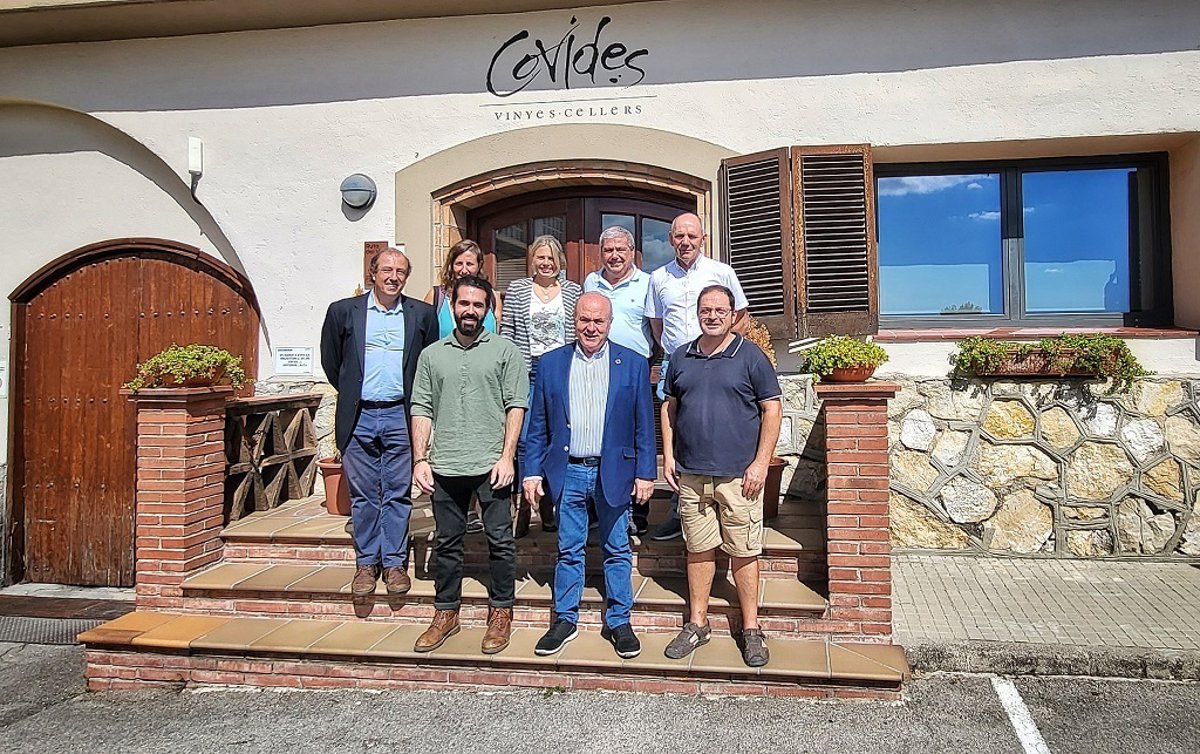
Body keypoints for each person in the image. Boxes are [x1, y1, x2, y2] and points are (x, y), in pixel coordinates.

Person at [522, 293, 656, 658]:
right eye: (584, 320)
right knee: (568, 549)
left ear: (610, 323)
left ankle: (620, 621)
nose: (591, 328)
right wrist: (531, 472)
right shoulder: (551, 364)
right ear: (574, 321)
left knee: (617, 548)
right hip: (568, 470)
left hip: (614, 471)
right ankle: (565, 619)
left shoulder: (632, 363)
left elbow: (644, 425)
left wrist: (646, 473)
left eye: (598, 321)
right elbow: (537, 425)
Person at [660, 285, 782, 668]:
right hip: (692, 474)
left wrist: (761, 463)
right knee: (698, 549)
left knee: (744, 552)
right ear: (697, 314)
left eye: (720, 311)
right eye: (705, 310)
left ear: (733, 315)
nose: (712, 316)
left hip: (739, 477)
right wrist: (669, 456)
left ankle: (751, 628)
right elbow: (669, 407)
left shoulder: (751, 356)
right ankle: (698, 624)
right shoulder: (681, 356)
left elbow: (772, 409)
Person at [410, 275, 528, 655]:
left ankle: (501, 612)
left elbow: (516, 405)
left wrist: (507, 457)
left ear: (488, 309)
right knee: (447, 543)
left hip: (492, 464)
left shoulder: (505, 352)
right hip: (445, 465)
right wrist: (420, 459)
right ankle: (446, 612)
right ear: (452, 305)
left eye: (478, 305)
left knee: (500, 542)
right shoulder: (432, 355)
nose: (471, 311)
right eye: (465, 304)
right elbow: (421, 407)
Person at [320, 248, 439, 598]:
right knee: (364, 494)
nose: (393, 277)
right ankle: (366, 563)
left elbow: (427, 363)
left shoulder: (421, 314)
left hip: (400, 414)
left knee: (398, 492)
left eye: (400, 271)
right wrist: (354, 392)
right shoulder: (344, 311)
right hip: (360, 415)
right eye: (386, 269)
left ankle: (395, 563)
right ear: (373, 273)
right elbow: (333, 363)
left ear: (406, 277)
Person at [644, 212, 749, 542]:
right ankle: (681, 510)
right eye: (679, 236)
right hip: (678, 366)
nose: (685, 242)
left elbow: (741, 317)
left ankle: (724, 504)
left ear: (704, 238)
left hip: (718, 365)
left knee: (714, 429)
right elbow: (657, 326)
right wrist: (680, 356)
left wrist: (720, 351)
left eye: (692, 235)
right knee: (677, 434)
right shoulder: (658, 278)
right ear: (670, 239)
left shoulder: (721, 272)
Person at [500, 235, 582, 536]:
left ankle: (550, 505)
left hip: (561, 372)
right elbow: (507, 331)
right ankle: (524, 506)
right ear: (532, 260)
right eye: (540, 257)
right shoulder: (518, 289)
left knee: (556, 437)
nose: (546, 263)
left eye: (551, 258)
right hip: (527, 371)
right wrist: (508, 369)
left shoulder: (573, 290)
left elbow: (577, 332)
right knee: (524, 439)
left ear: (560, 261)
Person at [423, 238, 500, 534]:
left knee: (482, 440)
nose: (464, 268)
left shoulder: (492, 297)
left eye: (470, 262)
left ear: (479, 266)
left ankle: (479, 508)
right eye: (459, 262)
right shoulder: (436, 296)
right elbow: (425, 339)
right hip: (447, 382)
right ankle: (459, 509)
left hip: (484, 382)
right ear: (451, 265)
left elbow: (498, 336)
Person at [583, 226, 654, 535]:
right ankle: (598, 508)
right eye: (608, 250)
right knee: (599, 438)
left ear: (632, 252)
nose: (614, 255)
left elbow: (657, 327)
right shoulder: (591, 282)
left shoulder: (647, 283)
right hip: (596, 368)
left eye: (620, 249)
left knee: (634, 439)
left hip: (633, 371)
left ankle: (638, 512)